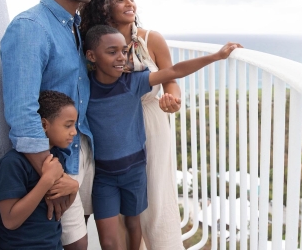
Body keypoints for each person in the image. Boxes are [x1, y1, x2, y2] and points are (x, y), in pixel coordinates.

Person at [83, 24, 241, 250]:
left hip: (134, 172)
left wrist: (216, 57)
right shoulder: (85, 88)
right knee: (108, 240)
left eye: (124, 51)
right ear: (91, 56)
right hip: (104, 177)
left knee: (133, 226)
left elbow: (174, 71)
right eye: (112, 52)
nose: (121, 58)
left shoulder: (133, 83)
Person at [0, 0, 96, 248]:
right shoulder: (31, 27)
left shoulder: (74, 28)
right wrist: (55, 176)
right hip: (53, 164)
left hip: (81, 153)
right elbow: (22, 113)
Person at [79, 0, 181, 249]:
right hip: (113, 131)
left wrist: (172, 99)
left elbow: (171, 78)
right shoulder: (92, 42)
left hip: (151, 123)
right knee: (123, 208)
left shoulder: (152, 39)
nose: (130, 4)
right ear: (104, 6)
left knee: (156, 199)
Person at [0, 91, 80, 249]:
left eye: (74, 125)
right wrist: (47, 180)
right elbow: (10, 221)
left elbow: (58, 209)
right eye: (68, 125)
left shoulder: (55, 158)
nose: (74, 131)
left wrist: (73, 189)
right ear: (44, 125)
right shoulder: (13, 163)